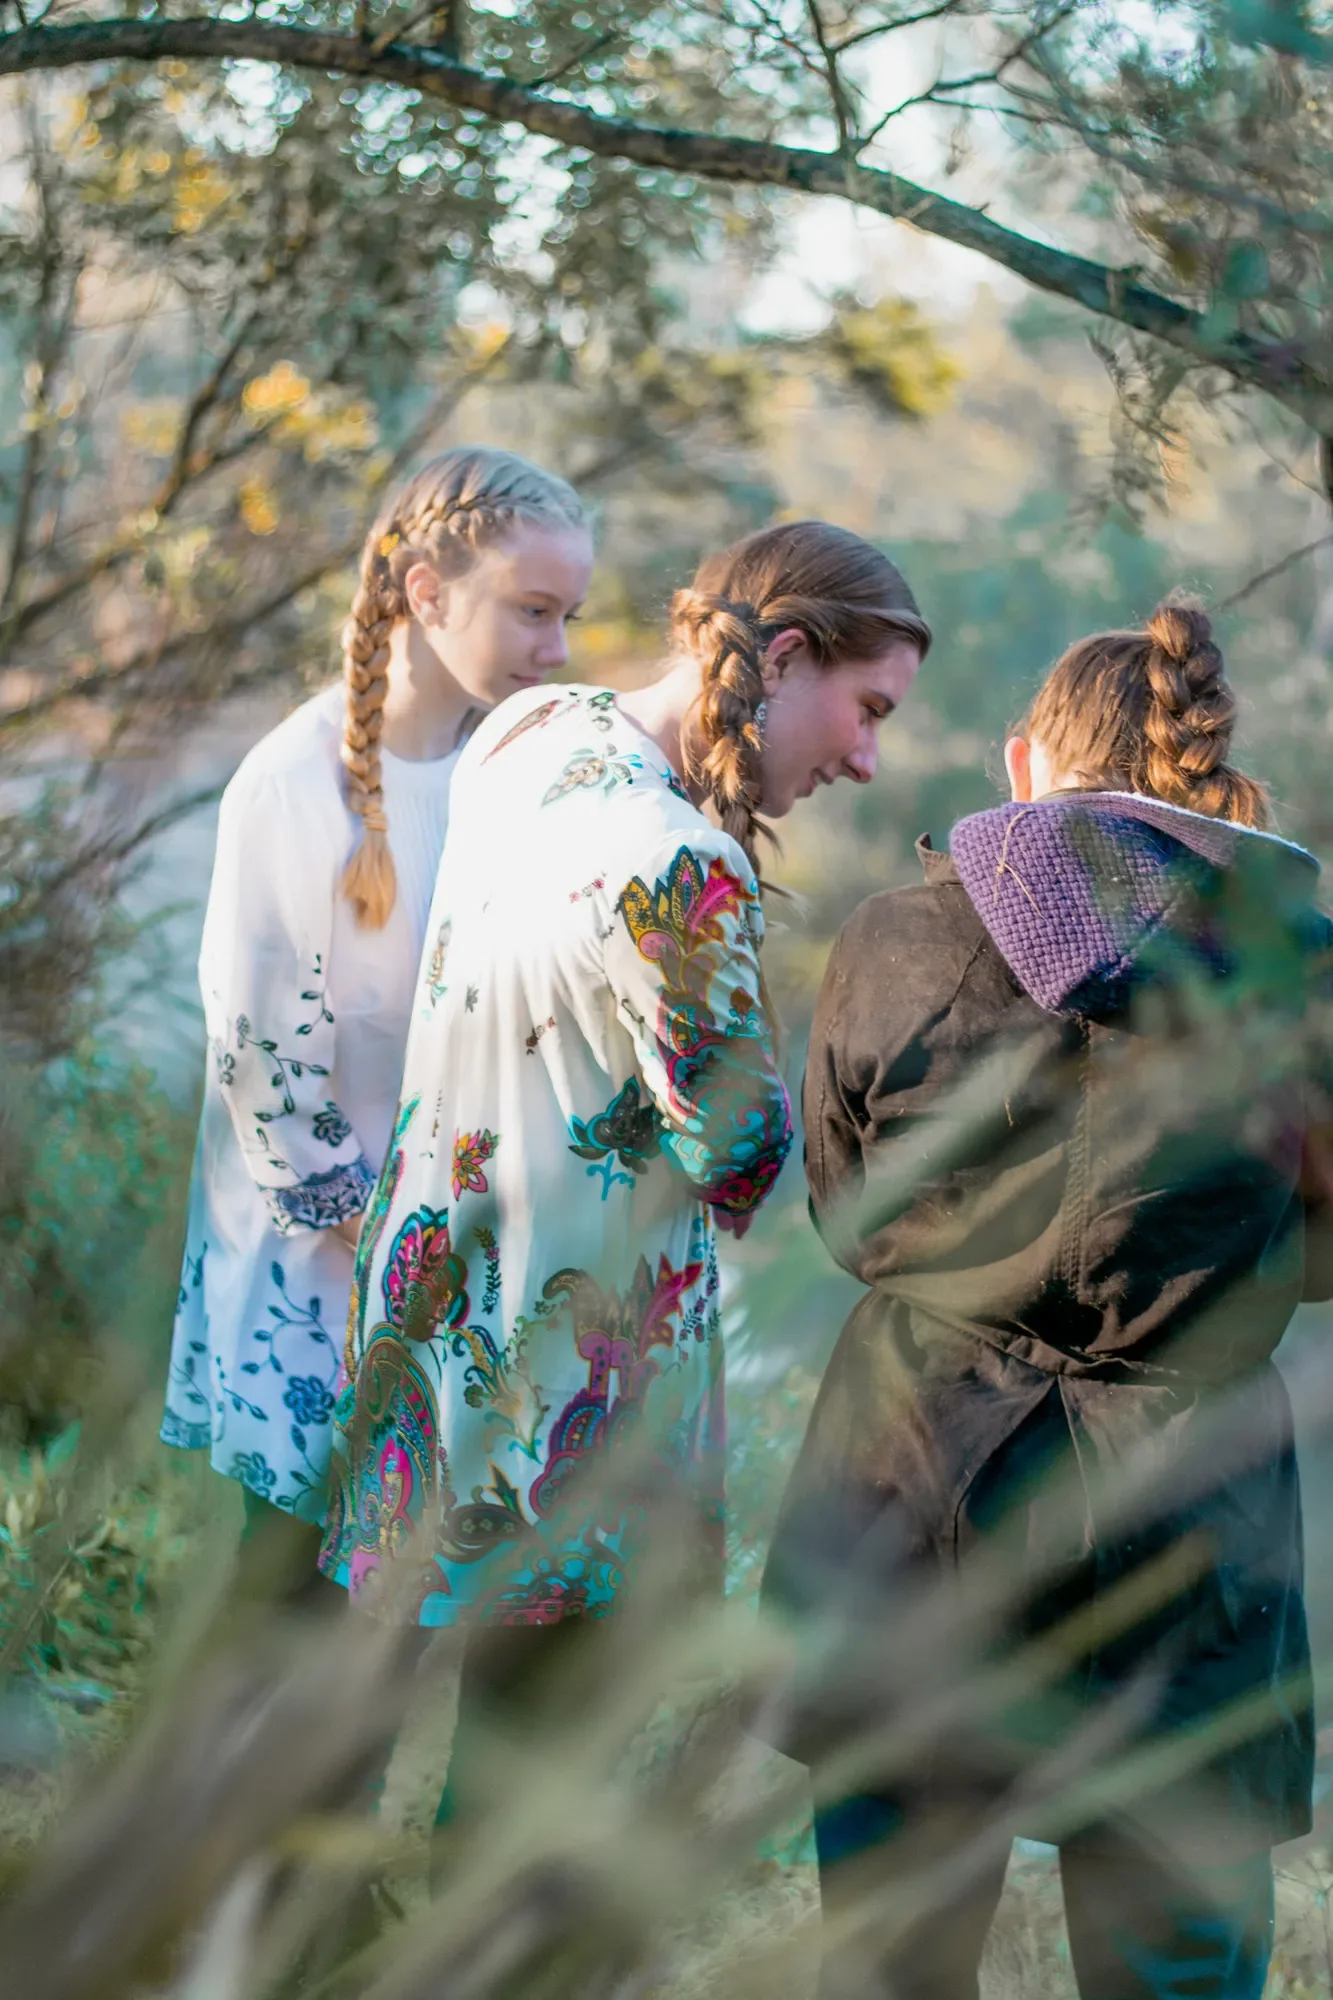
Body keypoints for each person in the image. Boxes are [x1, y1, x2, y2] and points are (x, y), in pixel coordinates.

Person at [317, 518, 930, 1840]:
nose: (866, 758)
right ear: (783, 654)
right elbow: (740, 1161)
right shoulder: (679, 864)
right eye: (867, 708)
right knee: (517, 1808)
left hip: (423, 1333)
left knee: (343, 1745)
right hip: (568, 1401)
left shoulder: (529, 731)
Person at [764, 601, 1333, 1999]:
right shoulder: (1298, 970)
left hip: (917, 1483)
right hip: (1188, 1508)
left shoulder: (891, 939)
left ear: (1027, 763)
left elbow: (847, 1215)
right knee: (1177, 1972)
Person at [161, 446, 593, 1610]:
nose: (557, 649)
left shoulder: (509, 776)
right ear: (426, 593)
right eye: (533, 611)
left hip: (452, 1272)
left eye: (568, 615)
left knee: (396, 1612)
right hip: (325, 1274)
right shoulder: (291, 785)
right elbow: (263, 1069)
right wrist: (391, 1253)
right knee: (291, 1603)